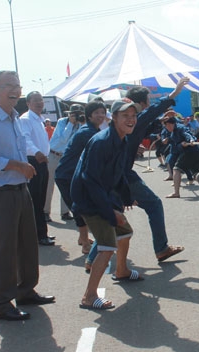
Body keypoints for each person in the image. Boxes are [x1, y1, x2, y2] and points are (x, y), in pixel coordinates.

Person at [0, 70, 55, 321]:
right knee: (5, 250)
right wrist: (17, 166)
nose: (14, 90)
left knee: (27, 244)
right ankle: (2, 302)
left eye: (17, 85)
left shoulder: (16, 118)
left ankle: (26, 290)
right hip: (2, 194)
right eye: (8, 85)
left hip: (21, 189)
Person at [71, 100, 141, 310]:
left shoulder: (121, 140)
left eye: (133, 116)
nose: (130, 120)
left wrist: (127, 198)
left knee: (125, 232)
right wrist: (110, 211)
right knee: (107, 246)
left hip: (103, 196)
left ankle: (122, 271)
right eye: (125, 116)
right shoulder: (101, 141)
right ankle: (89, 296)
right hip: (90, 200)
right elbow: (90, 180)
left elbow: (117, 173)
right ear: (114, 118)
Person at [124, 78, 188, 262]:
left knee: (114, 216)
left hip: (116, 172)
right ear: (140, 104)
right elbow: (151, 113)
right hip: (121, 174)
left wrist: (132, 147)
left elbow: (145, 127)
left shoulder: (126, 121)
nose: (149, 105)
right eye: (148, 101)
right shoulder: (134, 117)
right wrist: (174, 94)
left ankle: (94, 258)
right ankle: (161, 248)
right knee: (153, 205)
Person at [55, 101, 107, 257]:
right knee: (80, 209)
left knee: (81, 207)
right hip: (67, 176)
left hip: (74, 174)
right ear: (89, 115)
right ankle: (85, 244)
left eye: (102, 112)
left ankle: (82, 237)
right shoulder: (87, 132)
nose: (100, 115)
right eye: (97, 112)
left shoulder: (93, 130)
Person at [20, 91, 54, 246]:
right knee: (35, 200)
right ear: (28, 103)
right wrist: (37, 152)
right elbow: (25, 140)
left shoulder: (39, 120)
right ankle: (39, 235)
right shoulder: (26, 119)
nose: (39, 103)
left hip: (42, 162)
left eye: (41, 100)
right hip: (34, 161)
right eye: (35, 100)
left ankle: (41, 232)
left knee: (40, 200)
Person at [46, 104, 84, 222]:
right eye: (74, 114)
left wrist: (81, 123)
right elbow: (63, 139)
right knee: (49, 185)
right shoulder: (62, 122)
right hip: (54, 154)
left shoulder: (80, 125)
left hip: (66, 158)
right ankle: (45, 211)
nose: (76, 116)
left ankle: (65, 212)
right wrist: (70, 123)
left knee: (66, 184)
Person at [163, 117, 199, 198]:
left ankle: (176, 193)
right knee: (198, 175)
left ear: (172, 124)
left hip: (190, 153)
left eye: (168, 125)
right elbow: (175, 143)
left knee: (176, 169)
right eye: (166, 126)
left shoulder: (180, 128)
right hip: (193, 153)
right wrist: (169, 141)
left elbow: (187, 134)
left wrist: (191, 140)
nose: (167, 127)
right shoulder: (172, 134)